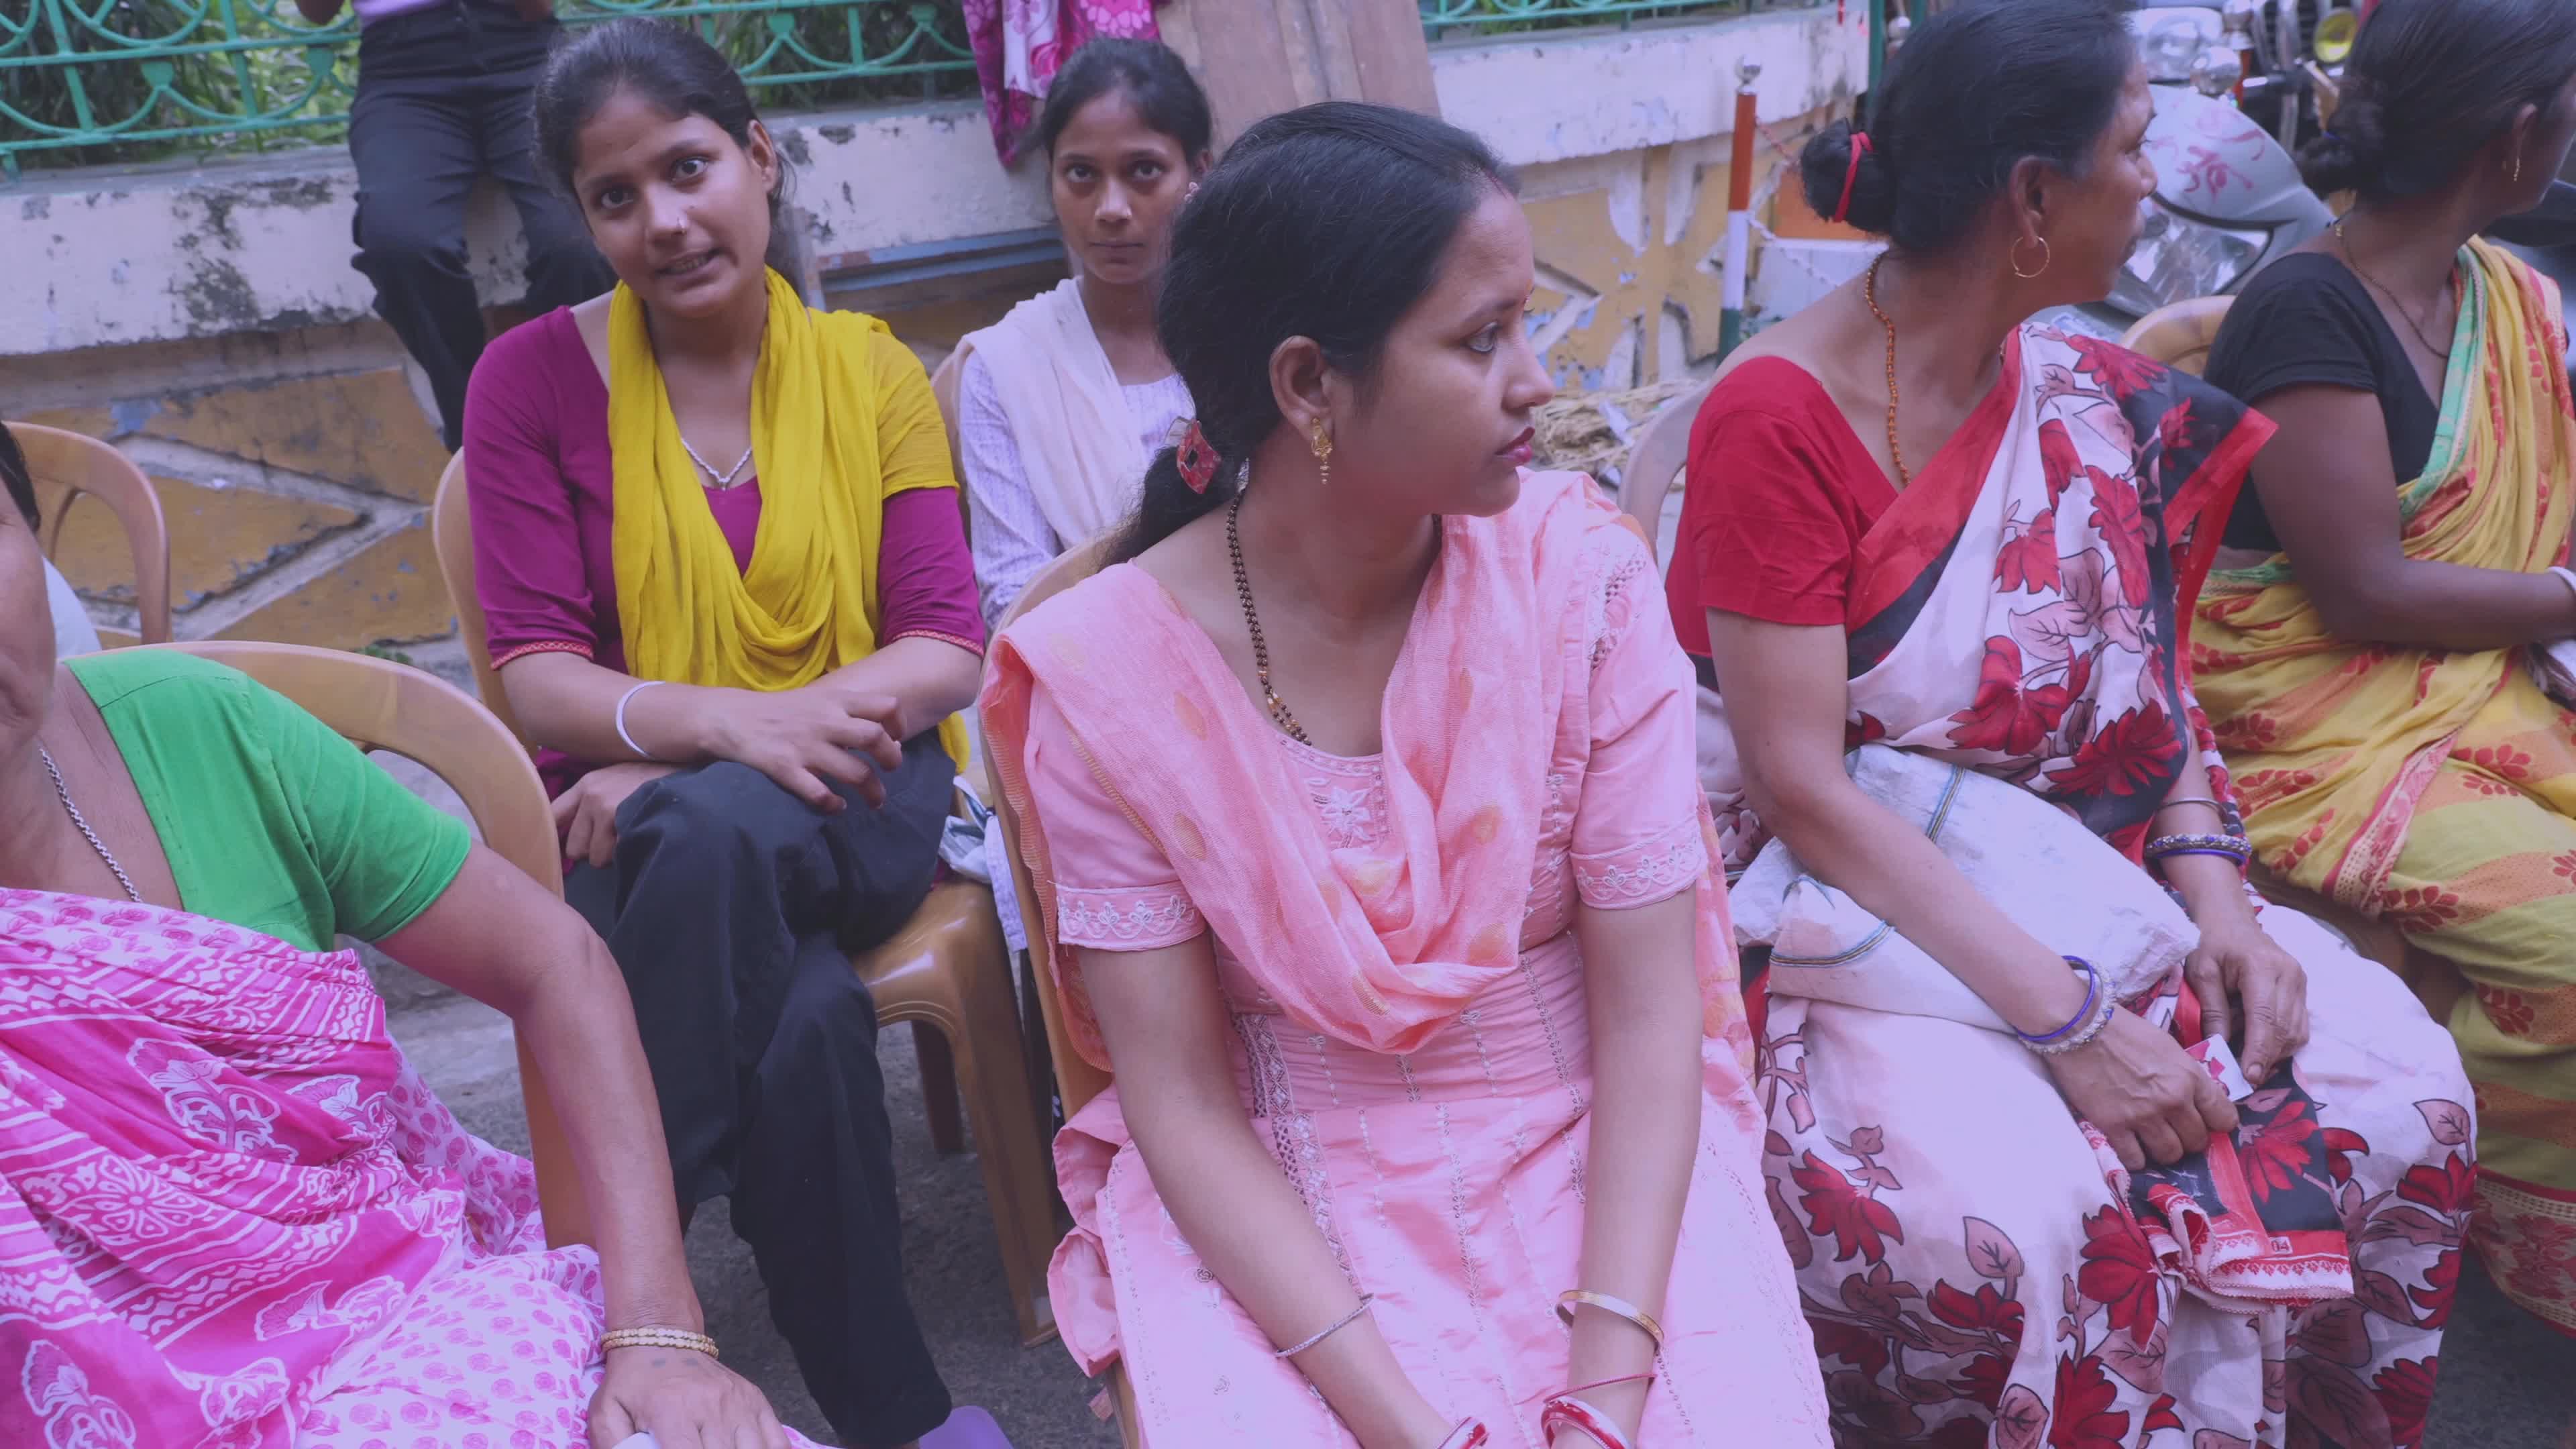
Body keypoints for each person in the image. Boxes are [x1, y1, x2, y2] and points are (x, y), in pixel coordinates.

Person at [1672, 3, 2471, 1442]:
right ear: (2034, 198)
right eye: (2129, 148)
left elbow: (2148, 706)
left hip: (2101, 876)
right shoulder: (1779, 421)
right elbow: (1801, 786)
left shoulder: (2090, 394)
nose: (2150, 184)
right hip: (1852, 912)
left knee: (2402, 1090)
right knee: (2027, 1221)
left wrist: (2221, 904)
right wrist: (2074, 1021)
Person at [981, 102, 1833, 1449]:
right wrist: (1410, 1426)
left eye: (1526, 326)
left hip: (1599, 1134)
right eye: (1482, 338)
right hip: (1280, 1186)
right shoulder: (1104, 681)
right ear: (1310, 385)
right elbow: (1185, 1103)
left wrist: (1606, 1389)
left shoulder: (1581, 584)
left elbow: (1650, 1018)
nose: (1538, 382)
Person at [0, 428, 802, 1446]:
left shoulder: (205, 737)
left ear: (37, 545)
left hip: (411, 1334)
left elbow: (554, 960)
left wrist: (658, 1336)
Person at [461, 19, 983, 1447]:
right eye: (616, 196)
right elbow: (534, 676)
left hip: (855, 791)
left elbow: (942, 648)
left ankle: (616, 1297)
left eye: (688, 168)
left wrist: (715, 743)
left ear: (758, 155)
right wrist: (719, 735)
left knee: (703, 821)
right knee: (805, 1018)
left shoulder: (872, 375)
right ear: (584, 217)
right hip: (640, 833)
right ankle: (906, 1419)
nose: (664, 221)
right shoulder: (526, 386)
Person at [2191, 0, 2576, 1335]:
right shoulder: (2306, 307)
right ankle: (2492, 1213)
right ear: (2520, 136)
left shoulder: (2505, 294)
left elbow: (2536, 521)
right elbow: (2365, 589)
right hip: (2313, 737)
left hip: (2473, 695)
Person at [953, 36, 1210, 631]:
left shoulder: (1256, 337)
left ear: (1197, 172)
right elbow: (1015, 600)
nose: (1111, 208)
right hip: (1092, 685)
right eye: (1081, 175)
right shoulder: (1006, 368)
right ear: (1052, 179)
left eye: (1144, 171)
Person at [296, 0, 617, 452]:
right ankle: (480, 428)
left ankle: (577, 408)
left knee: (578, 240)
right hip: (402, 75)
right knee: (401, 246)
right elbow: (316, 12)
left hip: (522, 53)